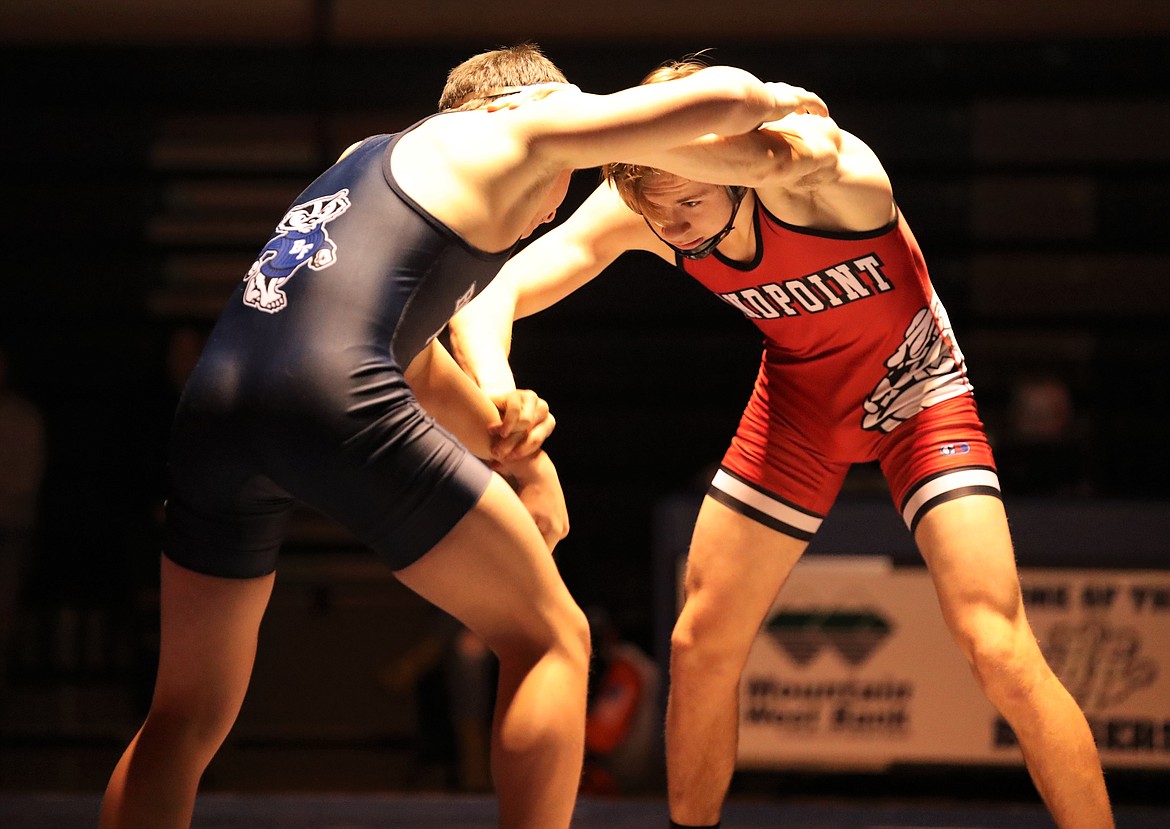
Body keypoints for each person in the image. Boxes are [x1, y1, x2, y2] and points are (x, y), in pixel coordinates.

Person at [98, 44, 829, 829]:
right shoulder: (520, 124)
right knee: (551, 635)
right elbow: (717, 98)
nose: (553, 207)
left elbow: (408, 357)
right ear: (519, 103)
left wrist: (514, 449)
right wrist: (785, 107)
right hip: (329, 392)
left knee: (186, 709)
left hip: (214, 407)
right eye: (565, 178)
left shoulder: (371, 162)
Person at [448, 57, 1115, 829]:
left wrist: (666, 128)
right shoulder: (642, 197)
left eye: (690, 200)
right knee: (698, 644)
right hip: (799, 403)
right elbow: (494, 291)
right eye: (653, 208)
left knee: (994, 643)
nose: (673, 227)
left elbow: (801, 150)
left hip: (918, 396)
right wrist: (499, 389)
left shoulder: (829, 178)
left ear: (731, 162)